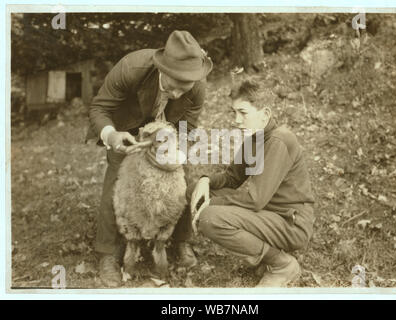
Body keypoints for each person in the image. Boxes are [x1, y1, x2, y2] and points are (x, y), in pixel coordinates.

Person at [86, 30, 213, 287]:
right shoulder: (131, 67)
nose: (177, 93)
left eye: (184, 85)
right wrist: (112, 136)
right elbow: (99, 108)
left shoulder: (197, 83)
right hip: (126, 129)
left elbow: (189, 125)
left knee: (180, 175)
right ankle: (108, 253)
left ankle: (180, 241)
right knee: (118, 180)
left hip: (169, 133)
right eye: (172, 83)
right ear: (160, 68)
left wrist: (179, 151)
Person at [190, 80, 315, 287]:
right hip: (268, 214)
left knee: (210, 217)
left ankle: (281, 265)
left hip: (290, 222)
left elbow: (255, 200)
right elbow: (232, 177)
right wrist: (205, 181)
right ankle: (263, 254)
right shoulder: (254, 139)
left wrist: (212, 205)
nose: (237, 120)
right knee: (195, 192)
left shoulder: (279, 140)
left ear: (265, 114)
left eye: (243, 113)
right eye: (234, 113)